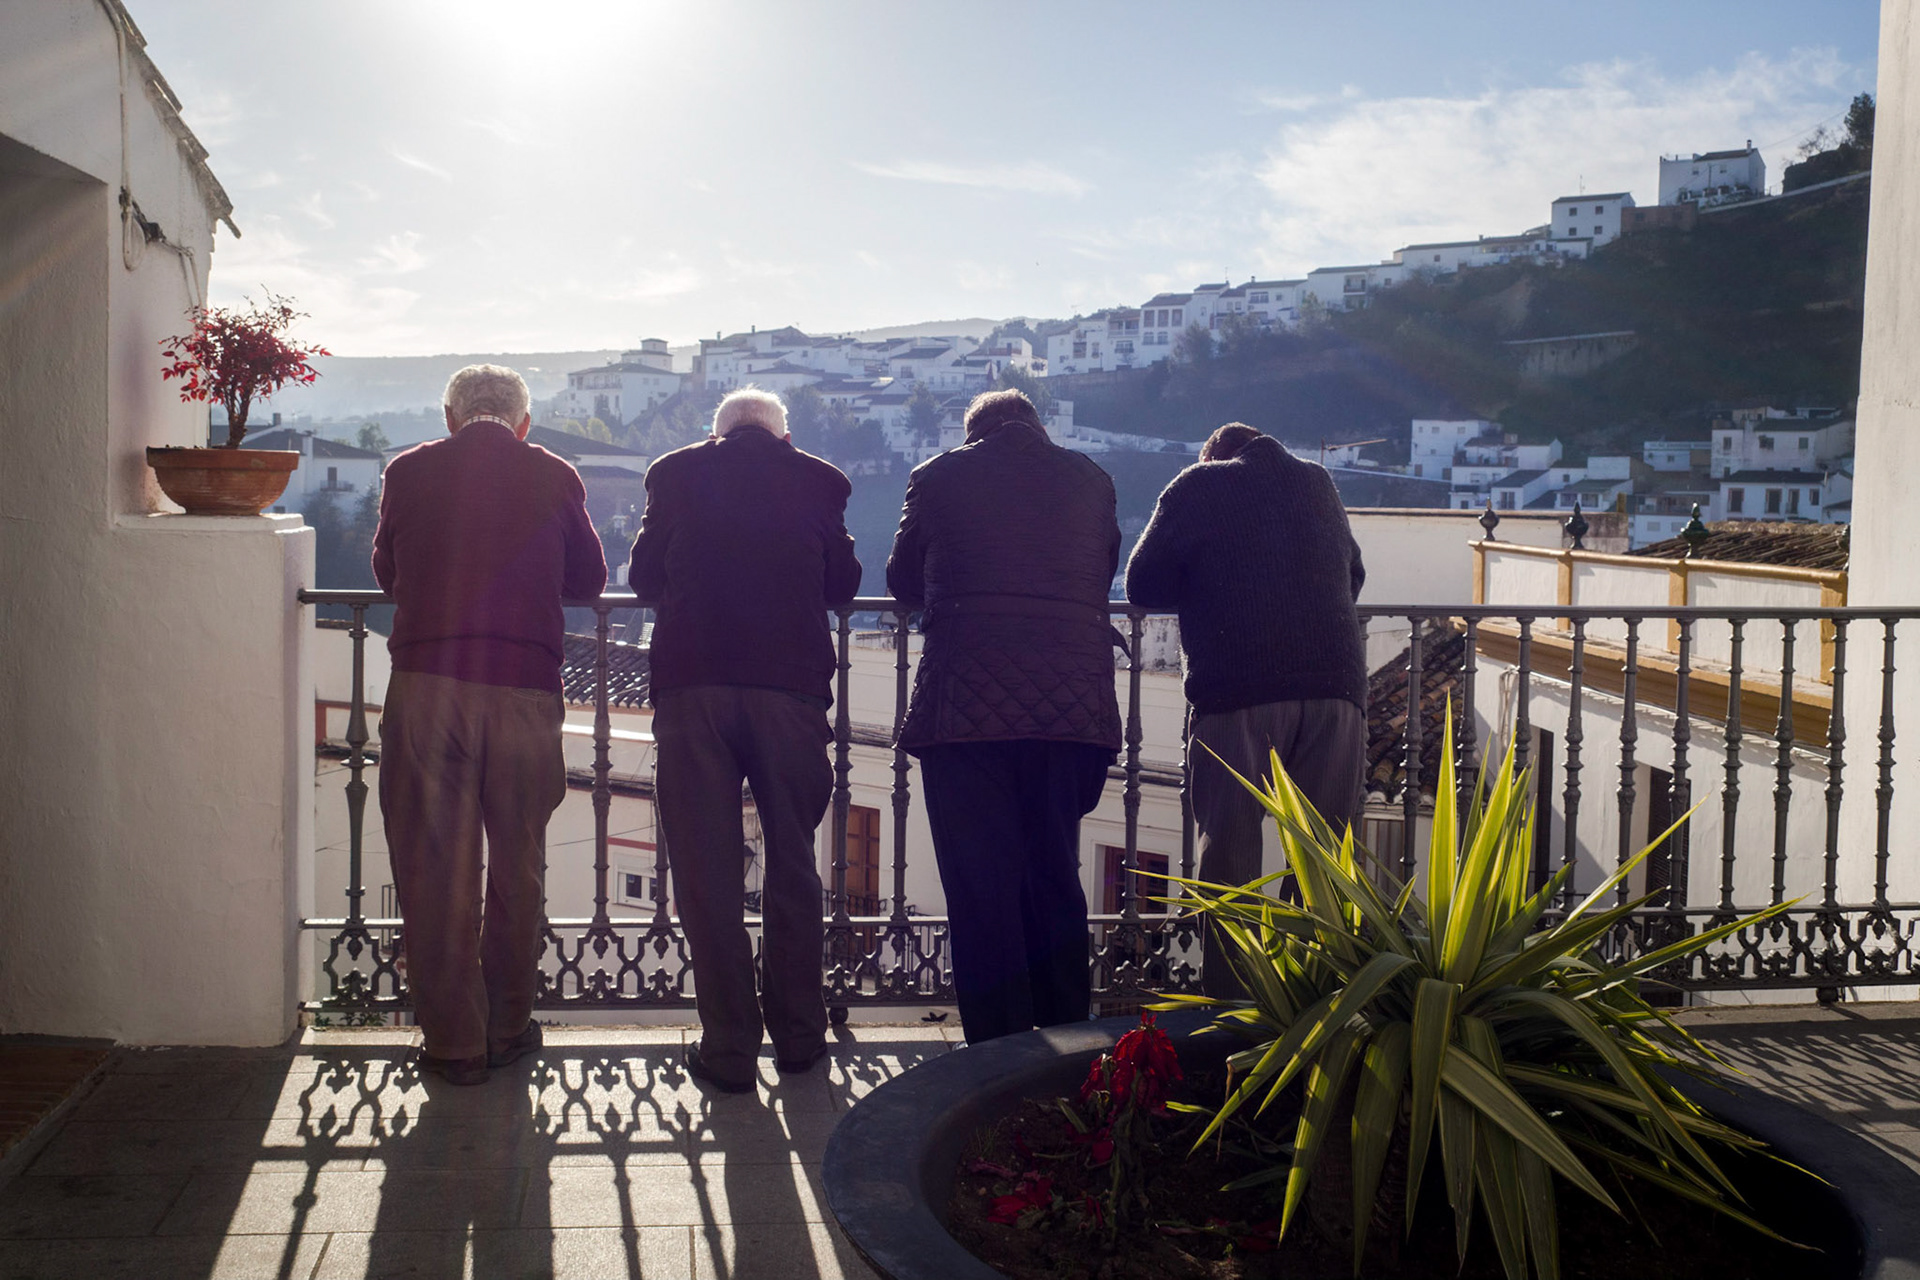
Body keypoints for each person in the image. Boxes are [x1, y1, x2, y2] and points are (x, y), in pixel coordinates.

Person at [372, 364, 607, 1085]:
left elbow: (386, 571)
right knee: (518, 862)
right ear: (523, 421)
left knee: (434, 865)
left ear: (450, 418)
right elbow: (590, 581)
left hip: (426, 688)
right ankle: (509, 1025)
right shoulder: (553, 473)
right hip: (524, 692)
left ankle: (453, 1045)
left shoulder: (410, 470)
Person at [628, 388, 861, 1093]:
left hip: (692, 687)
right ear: (783, 437)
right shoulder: (821, 480)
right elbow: (844, 587)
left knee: (706, 868)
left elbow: (641, 579)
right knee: (792, 859)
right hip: (789, 692)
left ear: (715, 434)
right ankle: (799, 1040)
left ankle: (729, 1048)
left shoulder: (674, 473)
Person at [887, 388, 1122, 1044]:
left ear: (973, 434)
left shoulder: (938, 476)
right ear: (1037, 427)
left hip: (966, 713)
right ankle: (1071, 1044)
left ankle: (999, 1057)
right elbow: (1101, 573)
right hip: (1072, 711)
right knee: (1054, 875)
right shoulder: (1093, 479)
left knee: (981, 891)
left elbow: (904, 579)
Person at [1124, 422, 1367, 998]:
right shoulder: (1319, 484)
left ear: (1214, 457)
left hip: (1238, 692)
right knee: (1326, 861)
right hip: (1337, 688)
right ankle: (1315, 1010)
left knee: (1231, 859)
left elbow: (1141, 582)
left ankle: (1232, 1023)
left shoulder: (1197, 485)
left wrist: (1209, 582)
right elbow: (1353, 574)